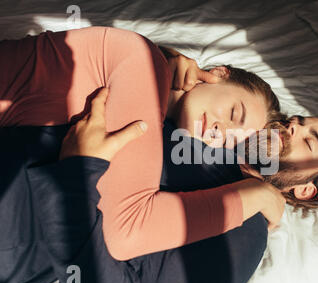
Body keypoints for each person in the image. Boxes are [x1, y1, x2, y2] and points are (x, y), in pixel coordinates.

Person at [0, 26, 286, 263]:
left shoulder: (155, 115)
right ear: (220, 74)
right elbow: (126, 232)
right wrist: (255, 196)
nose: (218, 131)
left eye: (229, 141)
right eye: (234, 113)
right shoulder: (145, 64)